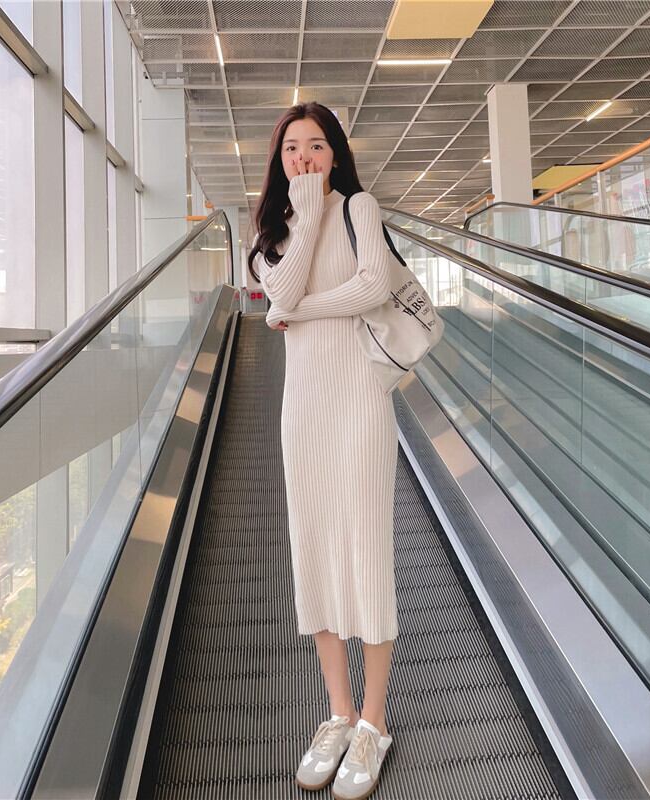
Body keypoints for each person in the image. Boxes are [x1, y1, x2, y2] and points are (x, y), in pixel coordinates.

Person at [247, 102, 396, 800]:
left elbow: (373, 286)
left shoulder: (359, 208)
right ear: (279, 160)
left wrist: (295, 311)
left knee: (365, 549)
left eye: (314, 146)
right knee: (313, 551)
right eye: (291, 149)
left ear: (335, 152)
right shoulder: (271, 236)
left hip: (361, 401)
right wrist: (303, 215)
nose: (303, 157)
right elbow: (277, 287)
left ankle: (373, 721)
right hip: (303, 410)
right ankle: (337, 713)